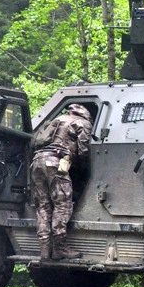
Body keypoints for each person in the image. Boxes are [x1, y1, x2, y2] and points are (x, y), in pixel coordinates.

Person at [31, 103, 92, 260]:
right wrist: (83, 169)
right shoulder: (82, 123)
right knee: (62, 204)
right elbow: (83, 150)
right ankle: (59, 248)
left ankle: (45, 249)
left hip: (37, 162)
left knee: (43, 205)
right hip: (56, 163)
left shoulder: (58, 119)